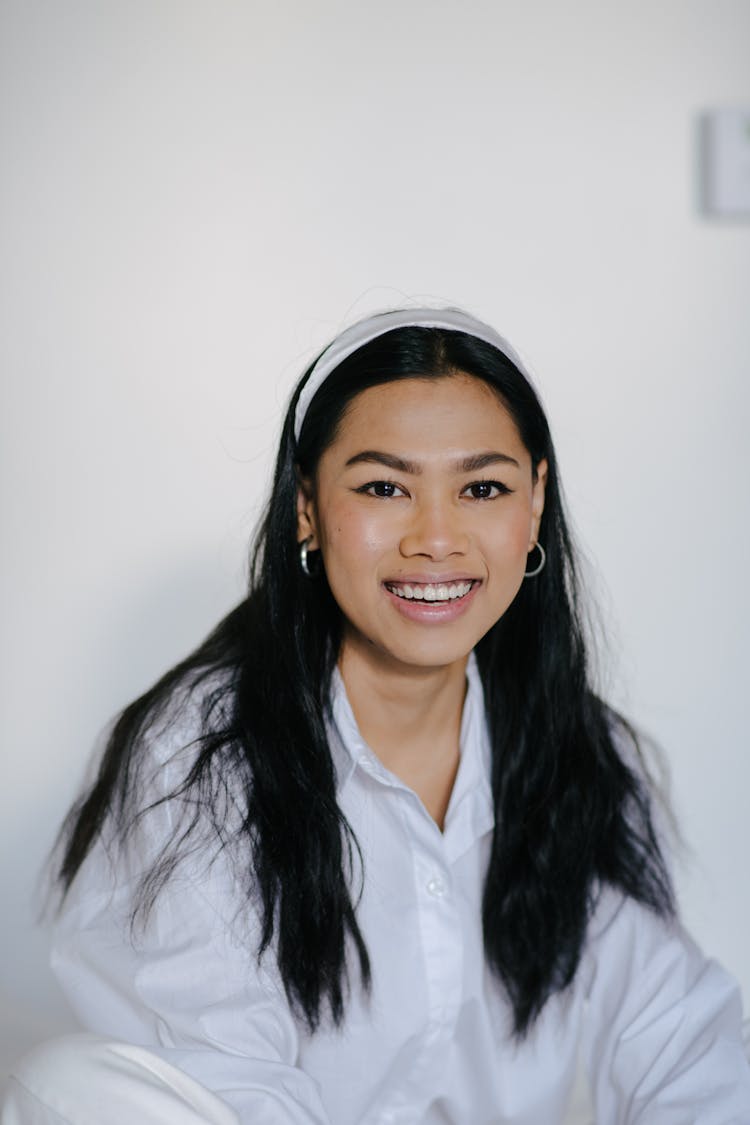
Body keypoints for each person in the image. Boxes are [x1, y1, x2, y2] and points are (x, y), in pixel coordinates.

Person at [3, 308, 749, 1125]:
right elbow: (223, 1087)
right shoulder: (199, 761)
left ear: (534, 504)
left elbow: (682, 1042)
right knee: (72, 1083)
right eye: (384, 487)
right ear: (307, 509)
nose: (436, 538)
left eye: (483, 488)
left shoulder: (579, 752)